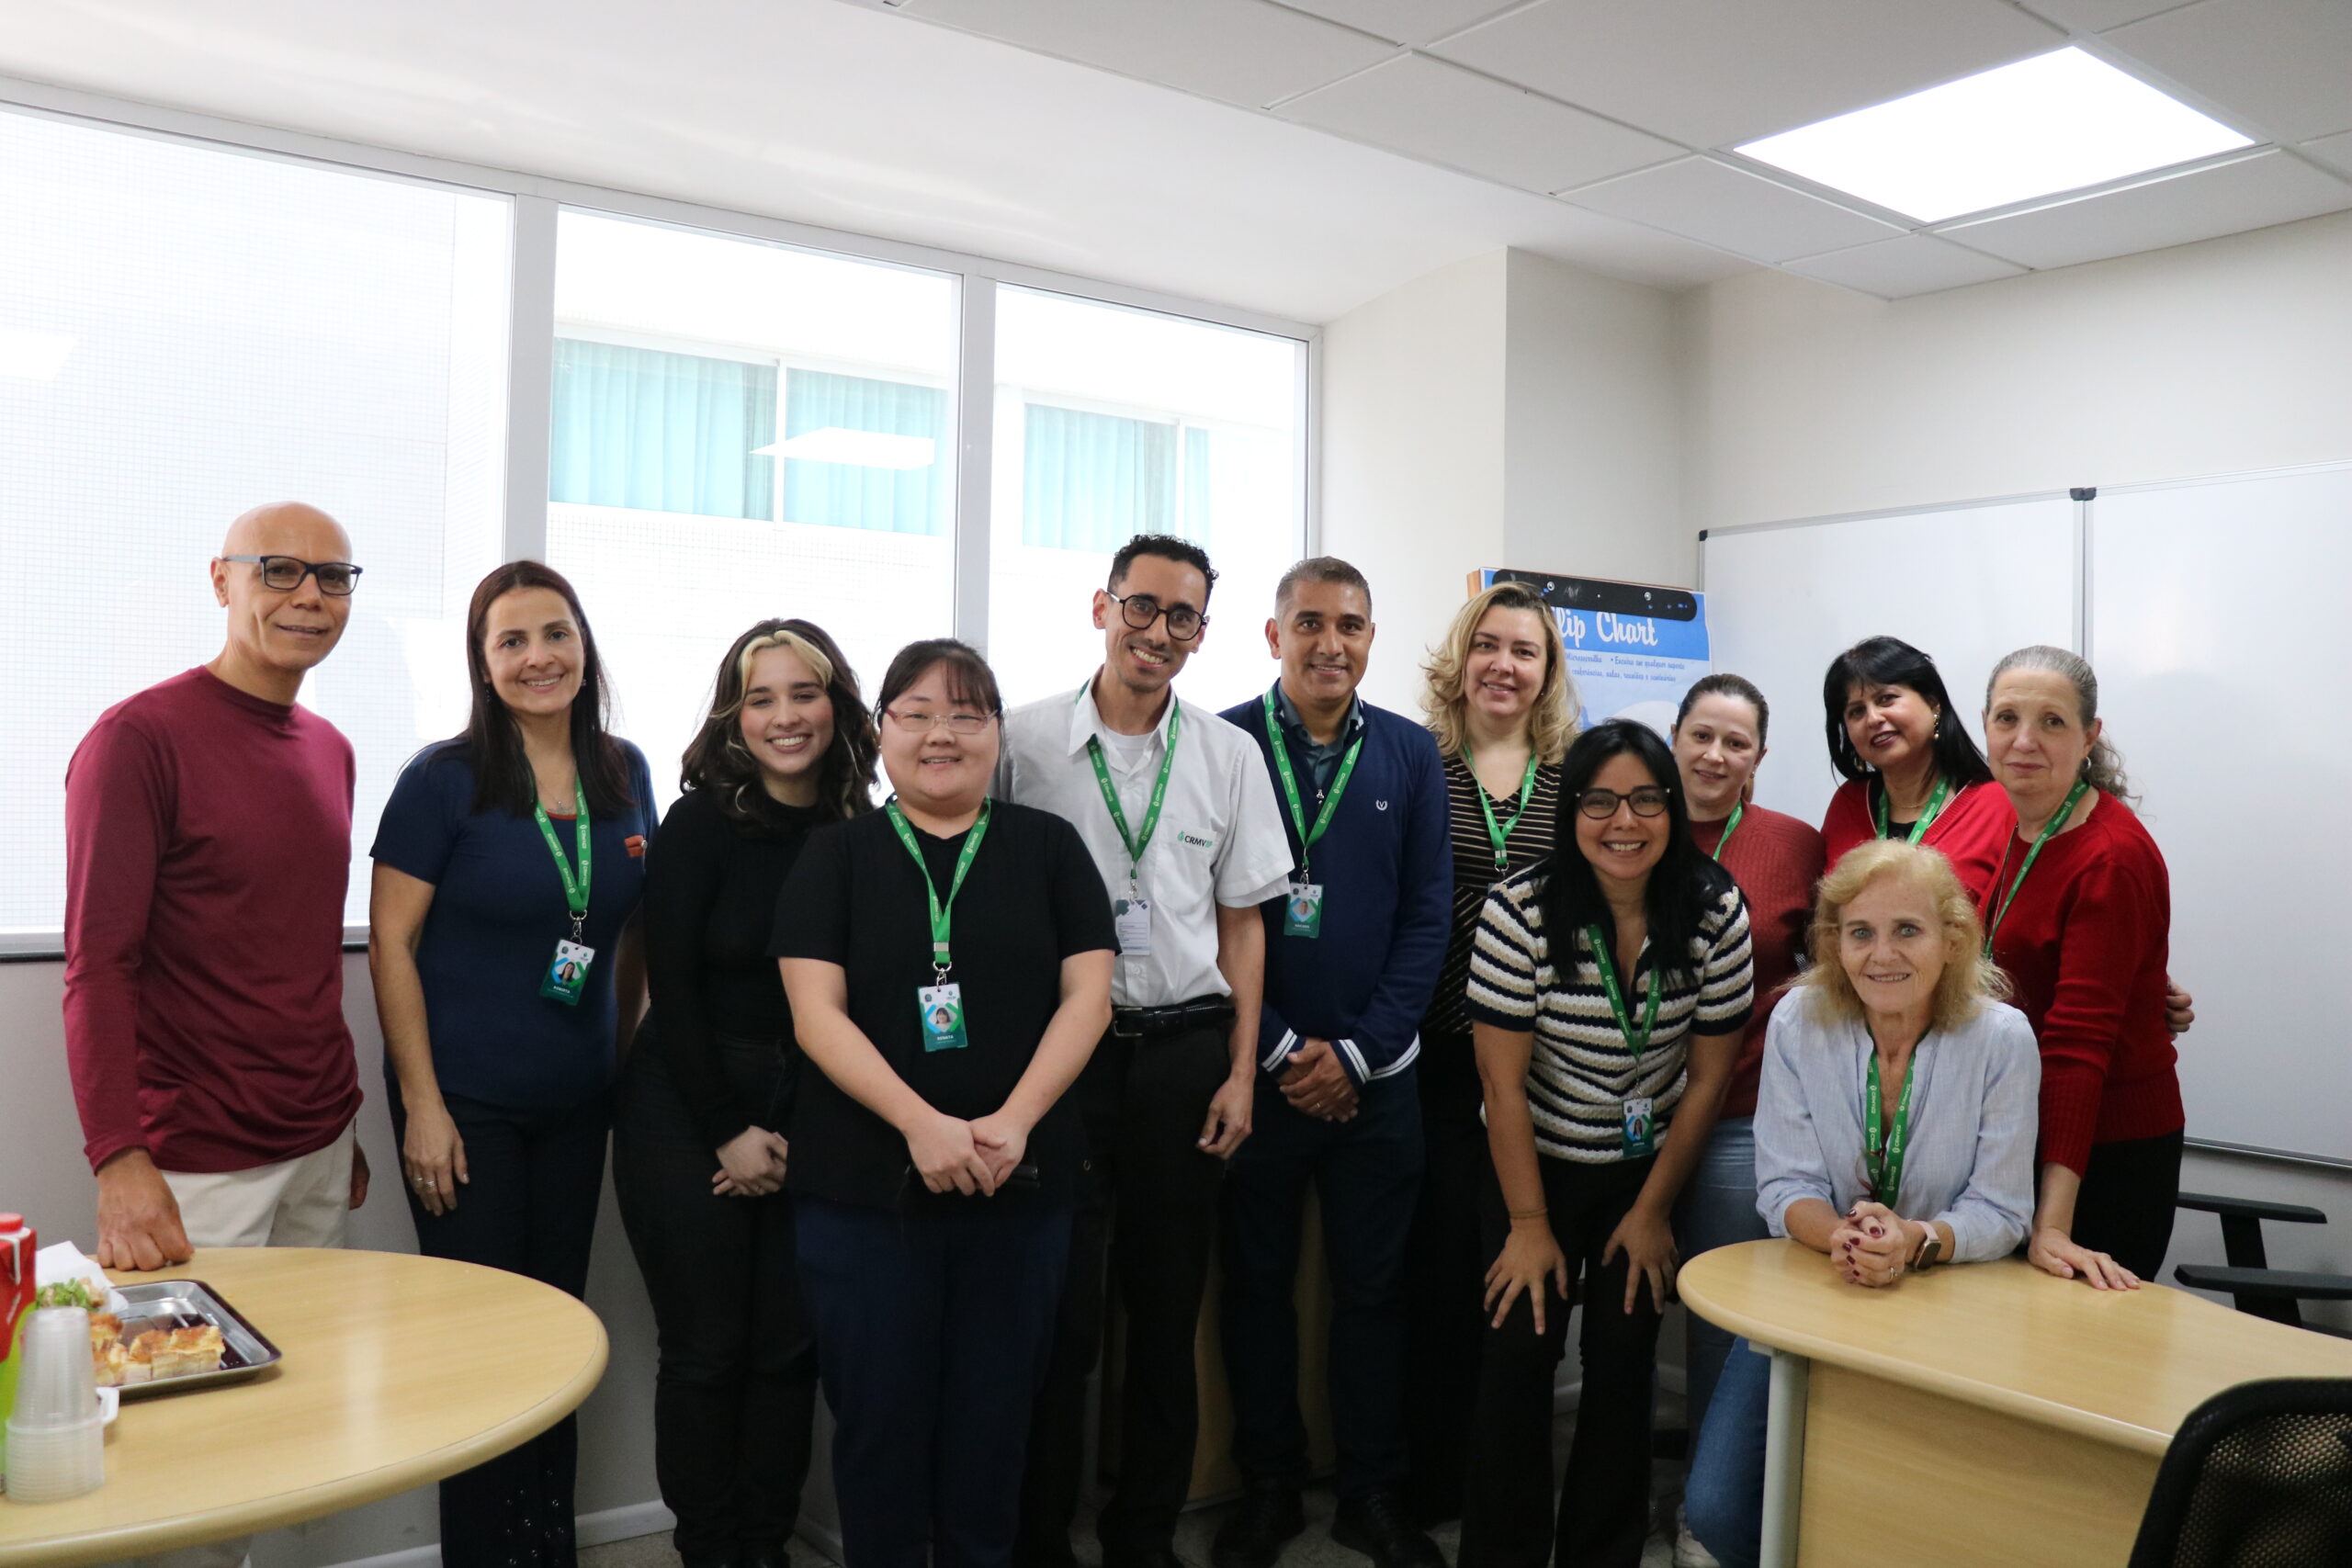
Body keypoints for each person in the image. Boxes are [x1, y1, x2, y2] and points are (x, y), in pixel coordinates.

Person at [62, 503, 370, 1568]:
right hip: (191, 1165)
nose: (309, 597)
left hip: (318, 1143)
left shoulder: (329, 748)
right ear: (221, 581)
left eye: (334, 579)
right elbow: (98, 965)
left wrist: (343, 1120)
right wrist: (120, 1157)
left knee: (293, 1439)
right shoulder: (137, 739)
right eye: (280, 571)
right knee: (186, 1457)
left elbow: (293, 951)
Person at [775, 638, 1117, 1568]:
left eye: (967, 714)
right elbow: (816, 1016)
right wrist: (921, 1126)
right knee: (878, 1429)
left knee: (994, 1430)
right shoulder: (832, 855)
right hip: (863, 1197)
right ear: (880, 731)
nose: (941, 734)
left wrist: (1013, 1121)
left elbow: (1089, 996)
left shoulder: (1047, 847)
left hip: (1021, 1183)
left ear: (998, 734)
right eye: (916, 713)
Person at [998, 536, 1294, 1568]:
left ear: (1203, 635)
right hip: (1061, 1066)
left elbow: (1245, 924)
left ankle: (1143, 1538)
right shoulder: (1021, 744)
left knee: (1164, 1321)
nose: (1158, 632)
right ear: (1101, 606)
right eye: (1142, 606)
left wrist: (1241, 1070)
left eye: (1182, 618)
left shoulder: (1227, 755)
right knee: (1057, 1318)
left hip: (1183, 1055)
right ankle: (1038, 1538)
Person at [368, 560, 655, 1568]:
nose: (539, 657)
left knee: (558, 1349)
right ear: (484, 667)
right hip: (468, 1118)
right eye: (512, 641)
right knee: (481, 1362)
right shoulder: (443, 780)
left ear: (584, 647)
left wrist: (620, 1070)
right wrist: (422, 1107)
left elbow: (629, 940)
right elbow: (391, 945)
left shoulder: (627, 771)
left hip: (578, 1111)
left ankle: (549, 1551)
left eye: (556, 634)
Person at [1681, 840, 2039, 1568]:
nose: (1882, 954)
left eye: (1907, 929)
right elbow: (1784, 1186)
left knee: (1899, 1518)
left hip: (1949, 1307)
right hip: (1820, 1287)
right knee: (1718, 1509)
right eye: (1860, 931)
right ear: (1833, 940)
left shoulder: (2001, 1039)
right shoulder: (1798, 1019)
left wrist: (1914, 1239)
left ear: (1952, 939)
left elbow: (2003, 1210)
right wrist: (1849, 1236)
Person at [613, 619, 876, 1568]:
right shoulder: (698, 823)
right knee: (707, 1350)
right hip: (687, 1103)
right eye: (760, 698)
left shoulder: (861, 829)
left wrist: (791, 1125)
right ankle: (711, 1551)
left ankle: (762, 1547)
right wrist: (730, 1130)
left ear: (834, 705)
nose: (784, 716)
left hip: (813, 1104)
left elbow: (860, 997)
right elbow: (670, 989)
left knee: (786, 1353)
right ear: (734, 715)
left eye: (801, 694)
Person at [1463, 719, 1754, 1568]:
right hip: (1534, 1166)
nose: (1622, 821)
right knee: (1519, 1357)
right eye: (1600, 800)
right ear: (1572, 809)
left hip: (1643, 1174)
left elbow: (1707, 1079)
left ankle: (1602, 1553)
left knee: (1624, 1368)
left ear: (1671, 809)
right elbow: (1499, 1084)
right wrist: (1527, 1224)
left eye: (1644, 800)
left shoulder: (1714, 908)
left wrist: (1654, 1210)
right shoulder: (1518, 909)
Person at [1213, 558, 1452, 1568]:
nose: (1329, 643)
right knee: (1254, 1288)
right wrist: (1273, 1050)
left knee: (1373, 1293)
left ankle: (1369, 1492)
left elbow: (1426, 917)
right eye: (1307, 623)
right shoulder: (1220, 745)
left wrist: (1355, 1052)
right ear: (1274, 636)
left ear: (1370, 637)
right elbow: (1199, 910)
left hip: (1377, 1079)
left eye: (1349, 626)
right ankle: (1267, 1489)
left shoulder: (1408, 754)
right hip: (1251, 1078)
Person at [1401, 581, 1577, 1528]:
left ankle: (1504, 1476)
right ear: (1461, 658)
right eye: (1490, 645)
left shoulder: (1575, 776)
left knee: (1524, 1269)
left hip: (1543, 1063)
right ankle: (1432, 1481)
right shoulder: (1419, 764)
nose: (1505, 665)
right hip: (1437, 1055)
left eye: (1526, 651)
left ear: (1547, 672)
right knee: (1438, 1269)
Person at [1665, 673, 1823, 1563]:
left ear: (1757, 758)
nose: (1716, 755)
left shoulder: (1794, 844)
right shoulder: (1630, 824)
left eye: (1736, 742)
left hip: (1740, 1113)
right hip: (1631, 1110)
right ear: (1676, 735)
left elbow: (1838, 953)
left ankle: (1705, 1512)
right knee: (1626, 1297)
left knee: (1724, 1317)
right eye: (1703, 735)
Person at [1980, 646, 2185, 1289]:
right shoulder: (2020, 823)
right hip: (2035, 1136)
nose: (2024, 741)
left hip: (2104, 1153)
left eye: (2052, 722)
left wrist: (2053, 1225)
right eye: (2007, 718)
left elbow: (2078, 1046)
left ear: (2090, 736)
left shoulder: (2109, 858)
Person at [1815, 636, 2008, 892]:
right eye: (1856, 711)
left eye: (1887, 699)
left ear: (1933, 704)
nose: (1873, 718)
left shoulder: (1996, 804)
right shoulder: (1848, 803)